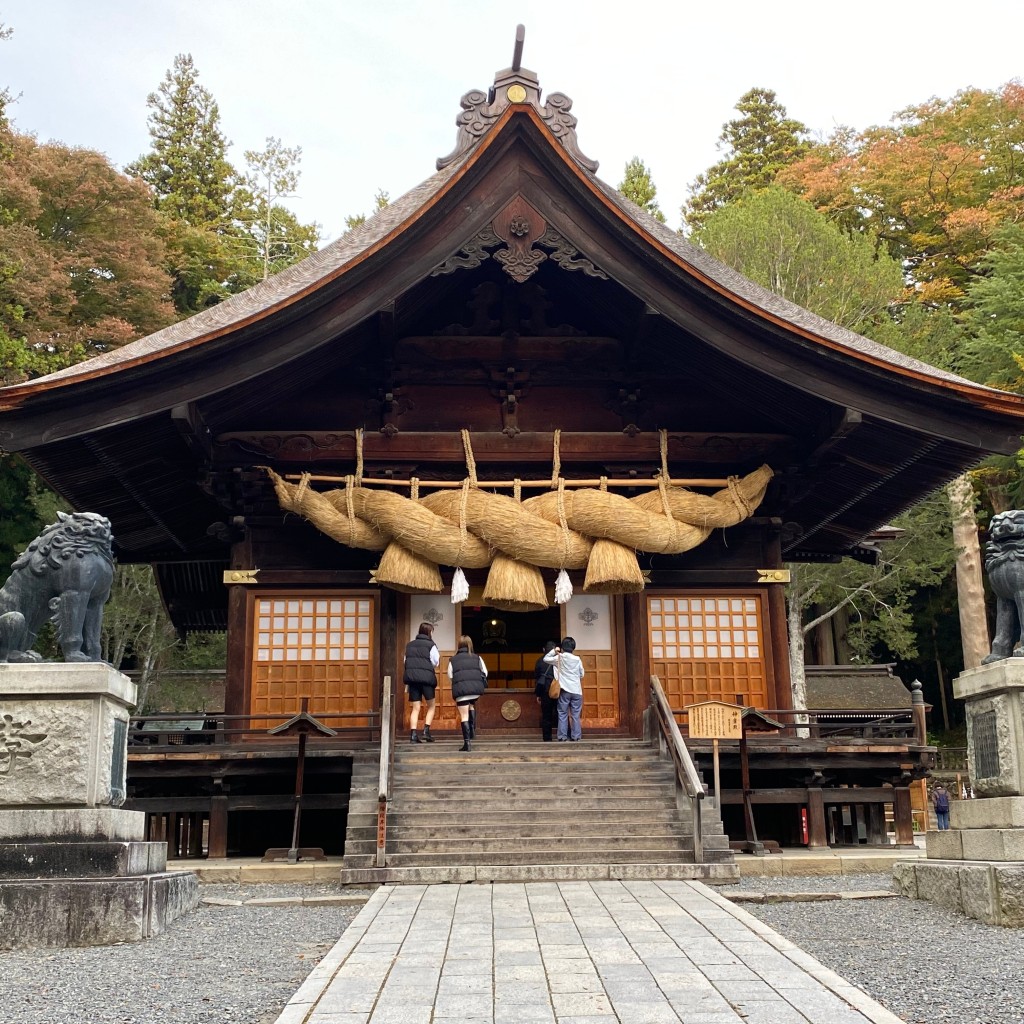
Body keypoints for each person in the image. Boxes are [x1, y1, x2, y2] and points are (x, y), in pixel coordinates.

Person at [448, 634, 487, 751]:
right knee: (471, 705)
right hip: (475, 690)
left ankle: (467, 744)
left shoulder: (453, 660)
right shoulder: (477, 657)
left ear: (459, 645)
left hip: (461, 690)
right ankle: (472, 731)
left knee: (463, 715)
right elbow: (485, 672)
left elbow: (450, 675)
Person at [404, 621, 439, 744]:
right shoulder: (431, 645)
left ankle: (413, 735)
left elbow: (405, 661)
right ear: (429, 632)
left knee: (415, 708)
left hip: (413, 680)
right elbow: (436, 661)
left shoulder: (409, 645)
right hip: (427, 680)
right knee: (431, 706)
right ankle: (426, 731)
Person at [544, 636, 585, 742]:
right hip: (577, 691)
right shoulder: (578, 659)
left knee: (562, 713)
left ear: (562, 647)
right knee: (575, 715)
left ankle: (562, 737)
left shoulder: (560, 658)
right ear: (573, 647)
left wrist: (554, 651)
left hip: (565, 691)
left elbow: (546, 659)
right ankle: (576, 736)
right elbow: (582, 674)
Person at [534, 640, 559, 742]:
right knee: (560, 713)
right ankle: (562, 736)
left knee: (546, 715)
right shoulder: (558, 659)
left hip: (544, 690)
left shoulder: (539, 661)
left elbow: (536, 677)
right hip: (557, 690)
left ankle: (547, 738)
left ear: (544, 649)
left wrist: (538, 694)